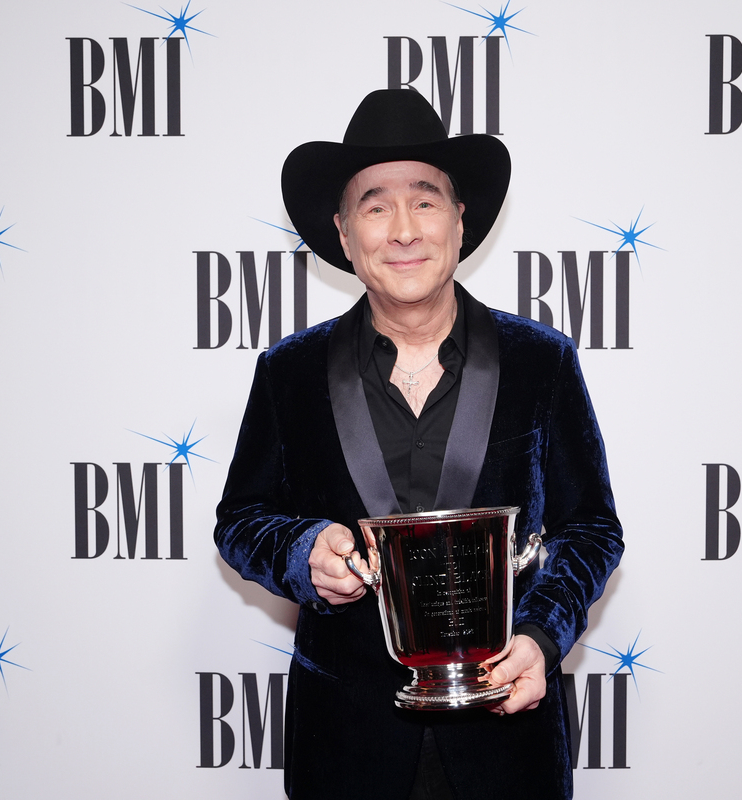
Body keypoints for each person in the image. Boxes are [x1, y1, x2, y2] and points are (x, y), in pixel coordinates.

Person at [214, 89, 622, 800]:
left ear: (460, 223)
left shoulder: (540, 360)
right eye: (375, 206)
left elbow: (590, 530)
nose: (403, 230)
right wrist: (299, 550)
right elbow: (242, 520)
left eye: (425, 201)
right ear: (343, 234)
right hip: (345, 746)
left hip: (507, 741)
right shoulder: (289, 371)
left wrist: (539, 635)